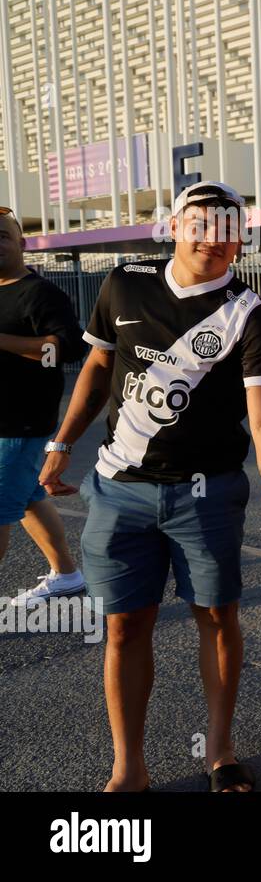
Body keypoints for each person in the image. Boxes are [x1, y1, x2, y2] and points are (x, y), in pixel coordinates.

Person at [39, 182, 261, 793]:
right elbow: (96, 367)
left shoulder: (251, 312)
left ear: (240, 241)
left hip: (209, 494)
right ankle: (128, 768)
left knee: (217, 617)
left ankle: (221, 751)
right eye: (199, 223)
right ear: (173, 225)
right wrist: (61, 444)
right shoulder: (123, 283)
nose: (211, 238)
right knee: (124, 627)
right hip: (119, 489)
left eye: (225, 228)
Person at [0, 208, 88, 605]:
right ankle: (67, 575)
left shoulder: (40, 294)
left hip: (18, 423)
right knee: (28, 498)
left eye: (3, 236)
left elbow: (63, 350)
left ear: (21, 243)